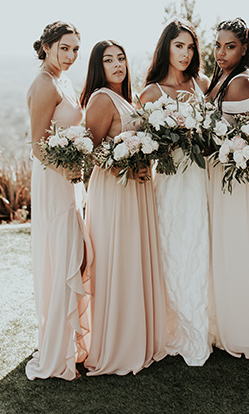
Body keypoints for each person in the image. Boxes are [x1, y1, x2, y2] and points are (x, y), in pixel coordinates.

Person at [81, 40, 167, 376]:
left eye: (121, 58)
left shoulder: (127, 99)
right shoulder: (102, 98)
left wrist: (143, 163)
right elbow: (91, 149)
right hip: (115, 190)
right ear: (98, 66)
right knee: (117, 258)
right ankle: (116, 342)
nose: (118, 64)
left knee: (134, 258)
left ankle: (138, 335)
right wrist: (122, 167)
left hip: (137, 190)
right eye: (109, 60)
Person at [140, 19, 211, 366]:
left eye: (190, 47)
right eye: (178, 46)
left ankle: (206, 325)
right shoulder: (152, 92)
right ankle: (175, 324)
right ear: (166, 47)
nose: (185, 54)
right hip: (170, 182)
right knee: (174, 246)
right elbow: (141, 144)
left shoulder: (202, 84)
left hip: (200, 179)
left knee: (202, 244)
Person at [26, 21, 92, 381]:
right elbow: (36, 145)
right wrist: (65, 171)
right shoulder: (44, 84)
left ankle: (69, 344)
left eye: (75, 49)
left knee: (73, 253)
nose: (71, 55)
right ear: (48, 46)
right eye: (64, 48)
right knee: (61, 257)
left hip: (69, 178)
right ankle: (58, 355)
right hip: (54, 181)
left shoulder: (63, 80)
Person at [206, 18, 249, 359]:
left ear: (245, 49)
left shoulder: (243, 83)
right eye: (217, 45)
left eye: (229, 46)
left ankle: (246, 331)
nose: (221, 52)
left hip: (237, 182)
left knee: (238, 247)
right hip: (219, 178)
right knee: (224, 248)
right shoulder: (222, 77)